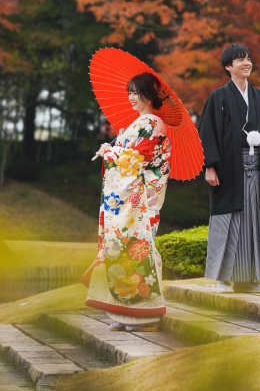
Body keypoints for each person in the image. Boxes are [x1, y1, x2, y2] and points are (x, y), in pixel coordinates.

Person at [81, 72, 172, 331]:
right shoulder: (139, 123)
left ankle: (146, 315)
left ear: (150, 94)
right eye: (129, 92)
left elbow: (136, 159)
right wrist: (113, 147)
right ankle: (125, 314)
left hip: (140, 198)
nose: (132, 98)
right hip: (132, 197)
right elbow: (128, 153)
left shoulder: (152, 123)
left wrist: (110, 151)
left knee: (138, 247)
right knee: (122, 248)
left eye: (137, 92)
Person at [198, 44, 260, 292]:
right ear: (228, 66)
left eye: (248, 59)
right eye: (240, 60)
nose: (246, 63)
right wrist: (210, 167)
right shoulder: (218, 97)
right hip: (228, 170)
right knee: (227, 221)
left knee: (251, 224)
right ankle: (223, 278)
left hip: (255, 169)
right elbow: (208, 133)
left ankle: (247, 280)